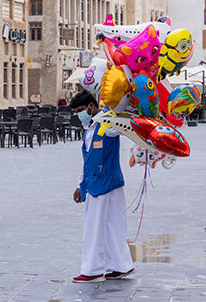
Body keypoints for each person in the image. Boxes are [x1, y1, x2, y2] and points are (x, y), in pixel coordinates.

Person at [70, 90, 135, 283]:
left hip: (107, 184)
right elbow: (86, 160)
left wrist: (129, 93)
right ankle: (120, 266)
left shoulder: (108, 124)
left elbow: (120, 113)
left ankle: (92, 270)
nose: (79, 114)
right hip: (95, 184)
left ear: (91, 106)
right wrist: (80, 185)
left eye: (81, 110)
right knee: (111, 226)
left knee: (95, 227)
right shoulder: (88, 129)